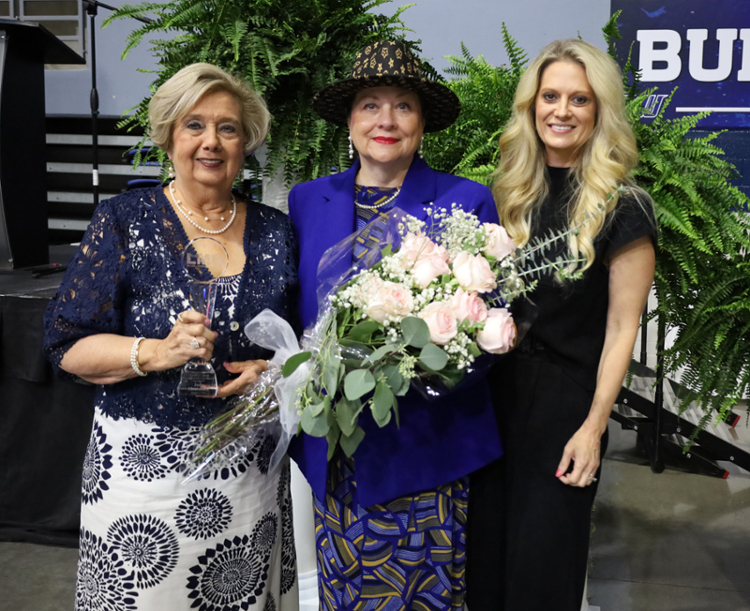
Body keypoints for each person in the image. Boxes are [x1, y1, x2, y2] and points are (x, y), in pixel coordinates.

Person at [43, 63, 299, 611]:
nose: (211, 142)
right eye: (194, 126)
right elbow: (67, 344)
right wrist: (156, 352)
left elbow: (300, 346)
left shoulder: (278, 231)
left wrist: (271, 371)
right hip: (142, 489)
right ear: (167, 135)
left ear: (245, 142)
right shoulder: (123, 220)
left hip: (247, 483)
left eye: (228, 128)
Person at [287, 40, 503, 610]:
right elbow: (296, 314)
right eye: (370, 105)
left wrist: (409, 375)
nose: (386, 120)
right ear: (350, 120)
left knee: (421, 595)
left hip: (426, 446)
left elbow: (488, 321)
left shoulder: (467, 200)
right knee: (343, 593)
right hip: (337, 451)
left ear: (423, 122)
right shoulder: (308, 200)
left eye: (403, 106)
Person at [465, 39, 657, 610]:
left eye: (580, 99)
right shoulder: (503, 196)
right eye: (550, 96)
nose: (562, 111)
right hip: (492, 403)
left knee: (542, 570)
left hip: (565, 411)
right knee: (484, 564)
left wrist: (595, 427)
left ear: (600, 111)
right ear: (531, 104)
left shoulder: (624, 207)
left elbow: (623, 328)